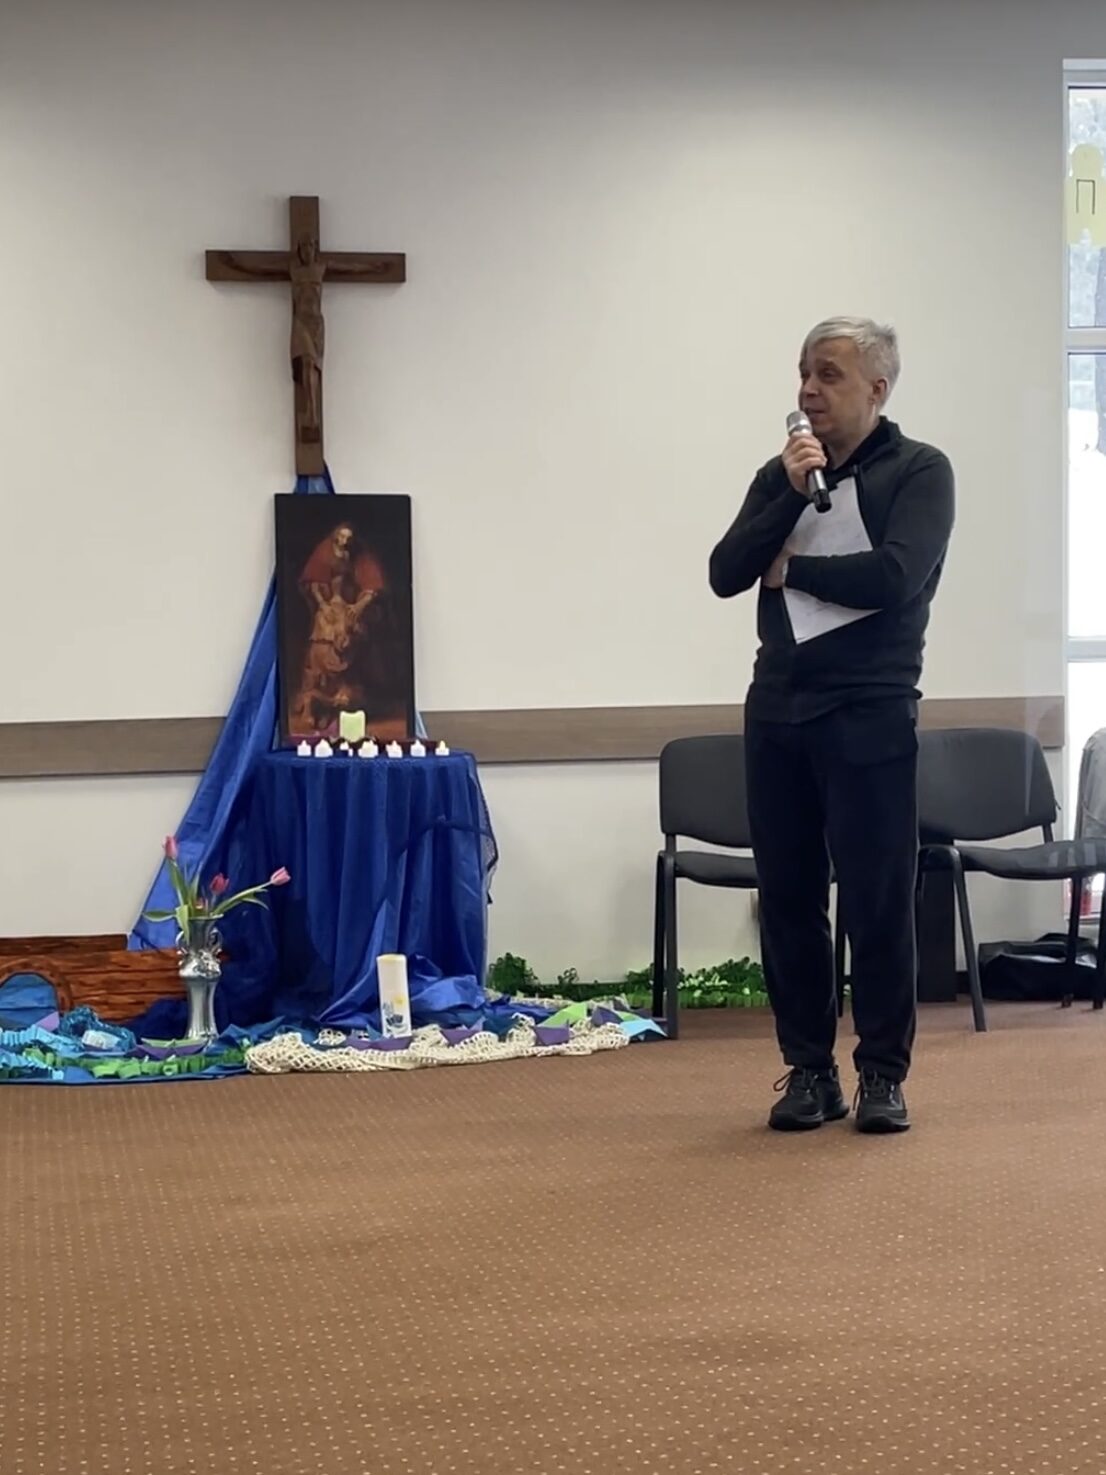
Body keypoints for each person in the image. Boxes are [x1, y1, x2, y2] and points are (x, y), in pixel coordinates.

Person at [708, 317, 954, 1135]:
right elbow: (723, 572)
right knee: (788, 897)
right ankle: (810, 1070)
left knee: (878, 898)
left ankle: (882, 1072)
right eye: (803, 374)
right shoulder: (781, 474)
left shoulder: (920, 470)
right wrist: (787, 493)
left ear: (877, 389)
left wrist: (795, 568)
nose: (808, 390)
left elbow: (896, 575)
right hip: (778, 710)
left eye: (829, 374)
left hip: (871, 708)